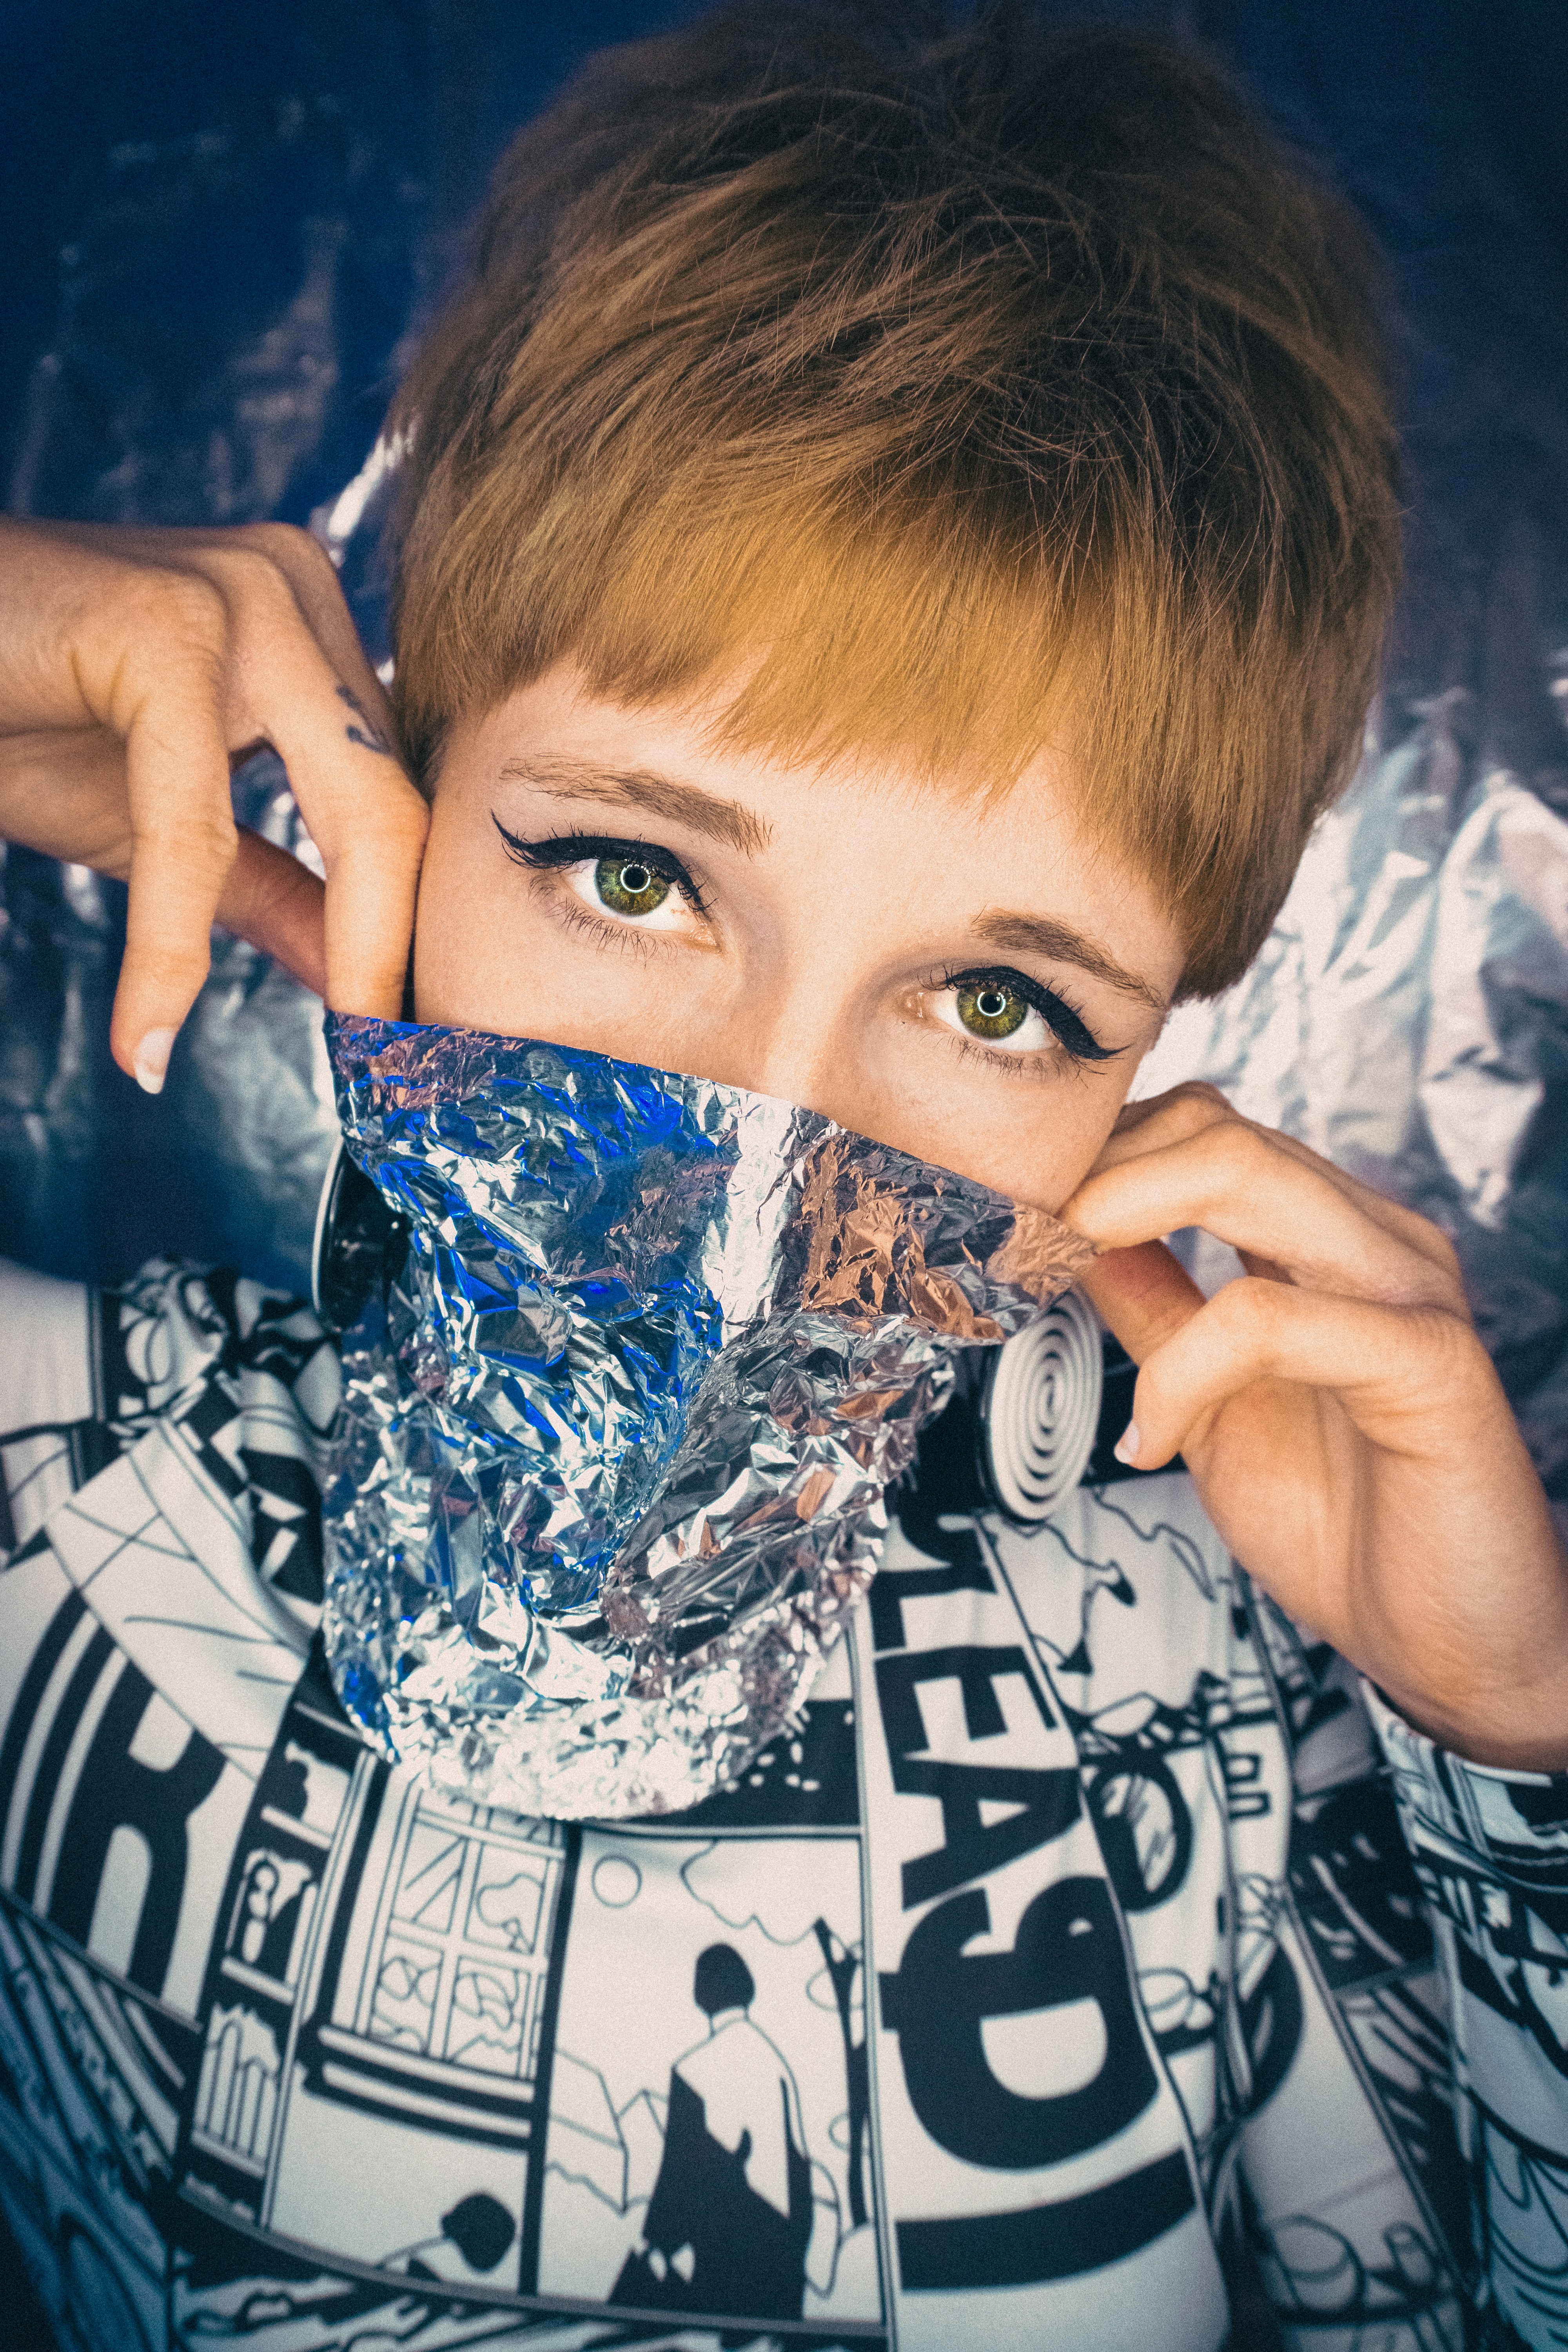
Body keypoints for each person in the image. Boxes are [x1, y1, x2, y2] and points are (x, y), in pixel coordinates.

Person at [0, 8, 1564, 2348]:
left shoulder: (1236, 1693)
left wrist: (1518, 1746)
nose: (755, 1172)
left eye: (1000, 1003)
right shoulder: (53, 1507)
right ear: (393, 819)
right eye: (634, 875)